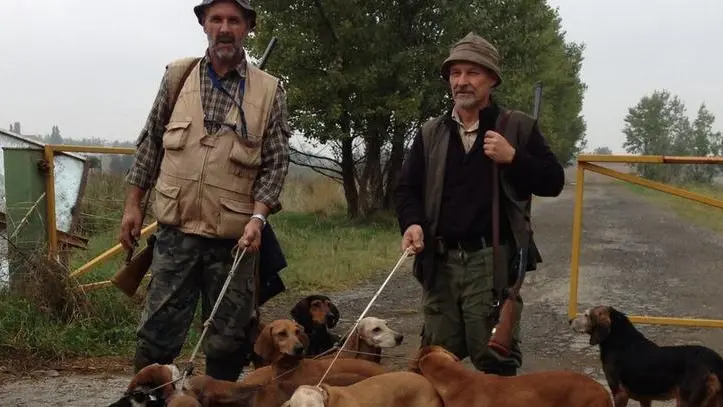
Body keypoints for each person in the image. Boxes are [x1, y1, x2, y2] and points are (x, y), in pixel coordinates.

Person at [119, 0, 291, 381]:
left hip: (235, 242)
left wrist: (258, 218)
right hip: (176, 235)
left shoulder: (269, 91)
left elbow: (276, 162)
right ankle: (149, 400)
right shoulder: (177, 77)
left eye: (234, 20)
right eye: (216, 19)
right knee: (156, 337)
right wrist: (133, 204)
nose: (224, 28)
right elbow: (150, 145)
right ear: (204, 25)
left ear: (247, 27)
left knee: (228, 341)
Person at [394, 32, 565, 376]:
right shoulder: (431, 132)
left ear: (492, 80)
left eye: (472, 73)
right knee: (435, 363)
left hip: (491, 264)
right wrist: (412, 223)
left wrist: (514, 157)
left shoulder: (516, 127)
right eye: (455, 74)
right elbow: (406, 189)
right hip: (439, 264)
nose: (461, 82)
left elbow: (554, 181)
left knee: (494, 361)